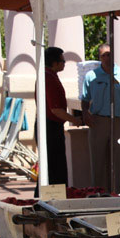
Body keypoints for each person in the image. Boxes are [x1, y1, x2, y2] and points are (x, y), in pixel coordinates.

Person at [80, 43, 120, 194]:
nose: (107, 57)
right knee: (98, 159)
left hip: (118, 120)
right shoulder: (91, 76)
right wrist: (85, 113)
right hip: (99, 120)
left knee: (119, 158)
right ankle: (98, 192)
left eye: (110, 54)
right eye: (104, 55)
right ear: (100, 57)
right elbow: (85, 98)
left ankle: (119, 191)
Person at [39, 48, 80, 186]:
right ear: (55, 63)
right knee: (54, 168)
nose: (64, 64)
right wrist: (75, 120)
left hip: (49, 125)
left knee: (51, 167)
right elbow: (55, 109)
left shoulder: (48, 76)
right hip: (50, 126)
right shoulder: (49, 78)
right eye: (63, 61)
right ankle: (55, 195)